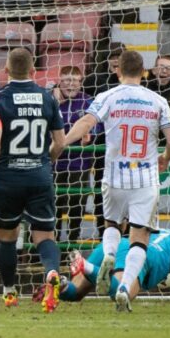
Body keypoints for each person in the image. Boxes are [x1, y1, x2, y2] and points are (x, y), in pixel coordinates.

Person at [63, 50, 170, 312]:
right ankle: (125, 287)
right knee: (140, 238)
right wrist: (165, 157)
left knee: (112, 225)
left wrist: (62, 143)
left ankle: (109, 257)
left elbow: (86, 121)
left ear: (118, 71)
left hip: (114, 177)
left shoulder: (107, 96)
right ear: (144, 72)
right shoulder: (158, 100)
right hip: (145, 179)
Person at [0, 48, 66, 313]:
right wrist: (44, 161)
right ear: (33, 70)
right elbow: (60, 142)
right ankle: (50, 273)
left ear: (5, 70)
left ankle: (9, 292)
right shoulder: (48, 99)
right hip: (39, 177)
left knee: (7, 237)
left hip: (8, 179)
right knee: (45, 235)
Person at [59, 209, 170, 305]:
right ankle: (87, 267)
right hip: (144, 255)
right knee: (123, 295)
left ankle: (61, 284)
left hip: (117, 243)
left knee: (76, 292)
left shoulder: (162, 231)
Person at [52, 66, 97, 242]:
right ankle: (52, 243)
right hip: (54, 162)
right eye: (66, 80)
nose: (70, 85)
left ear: (81, 82)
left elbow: (98, 124)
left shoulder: (87, 101)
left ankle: (72, 243)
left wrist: (89, 135)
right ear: (59, 81)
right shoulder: (49, 98)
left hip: (79, 164)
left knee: (76, 205)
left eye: (74, 80)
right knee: (53, 205)